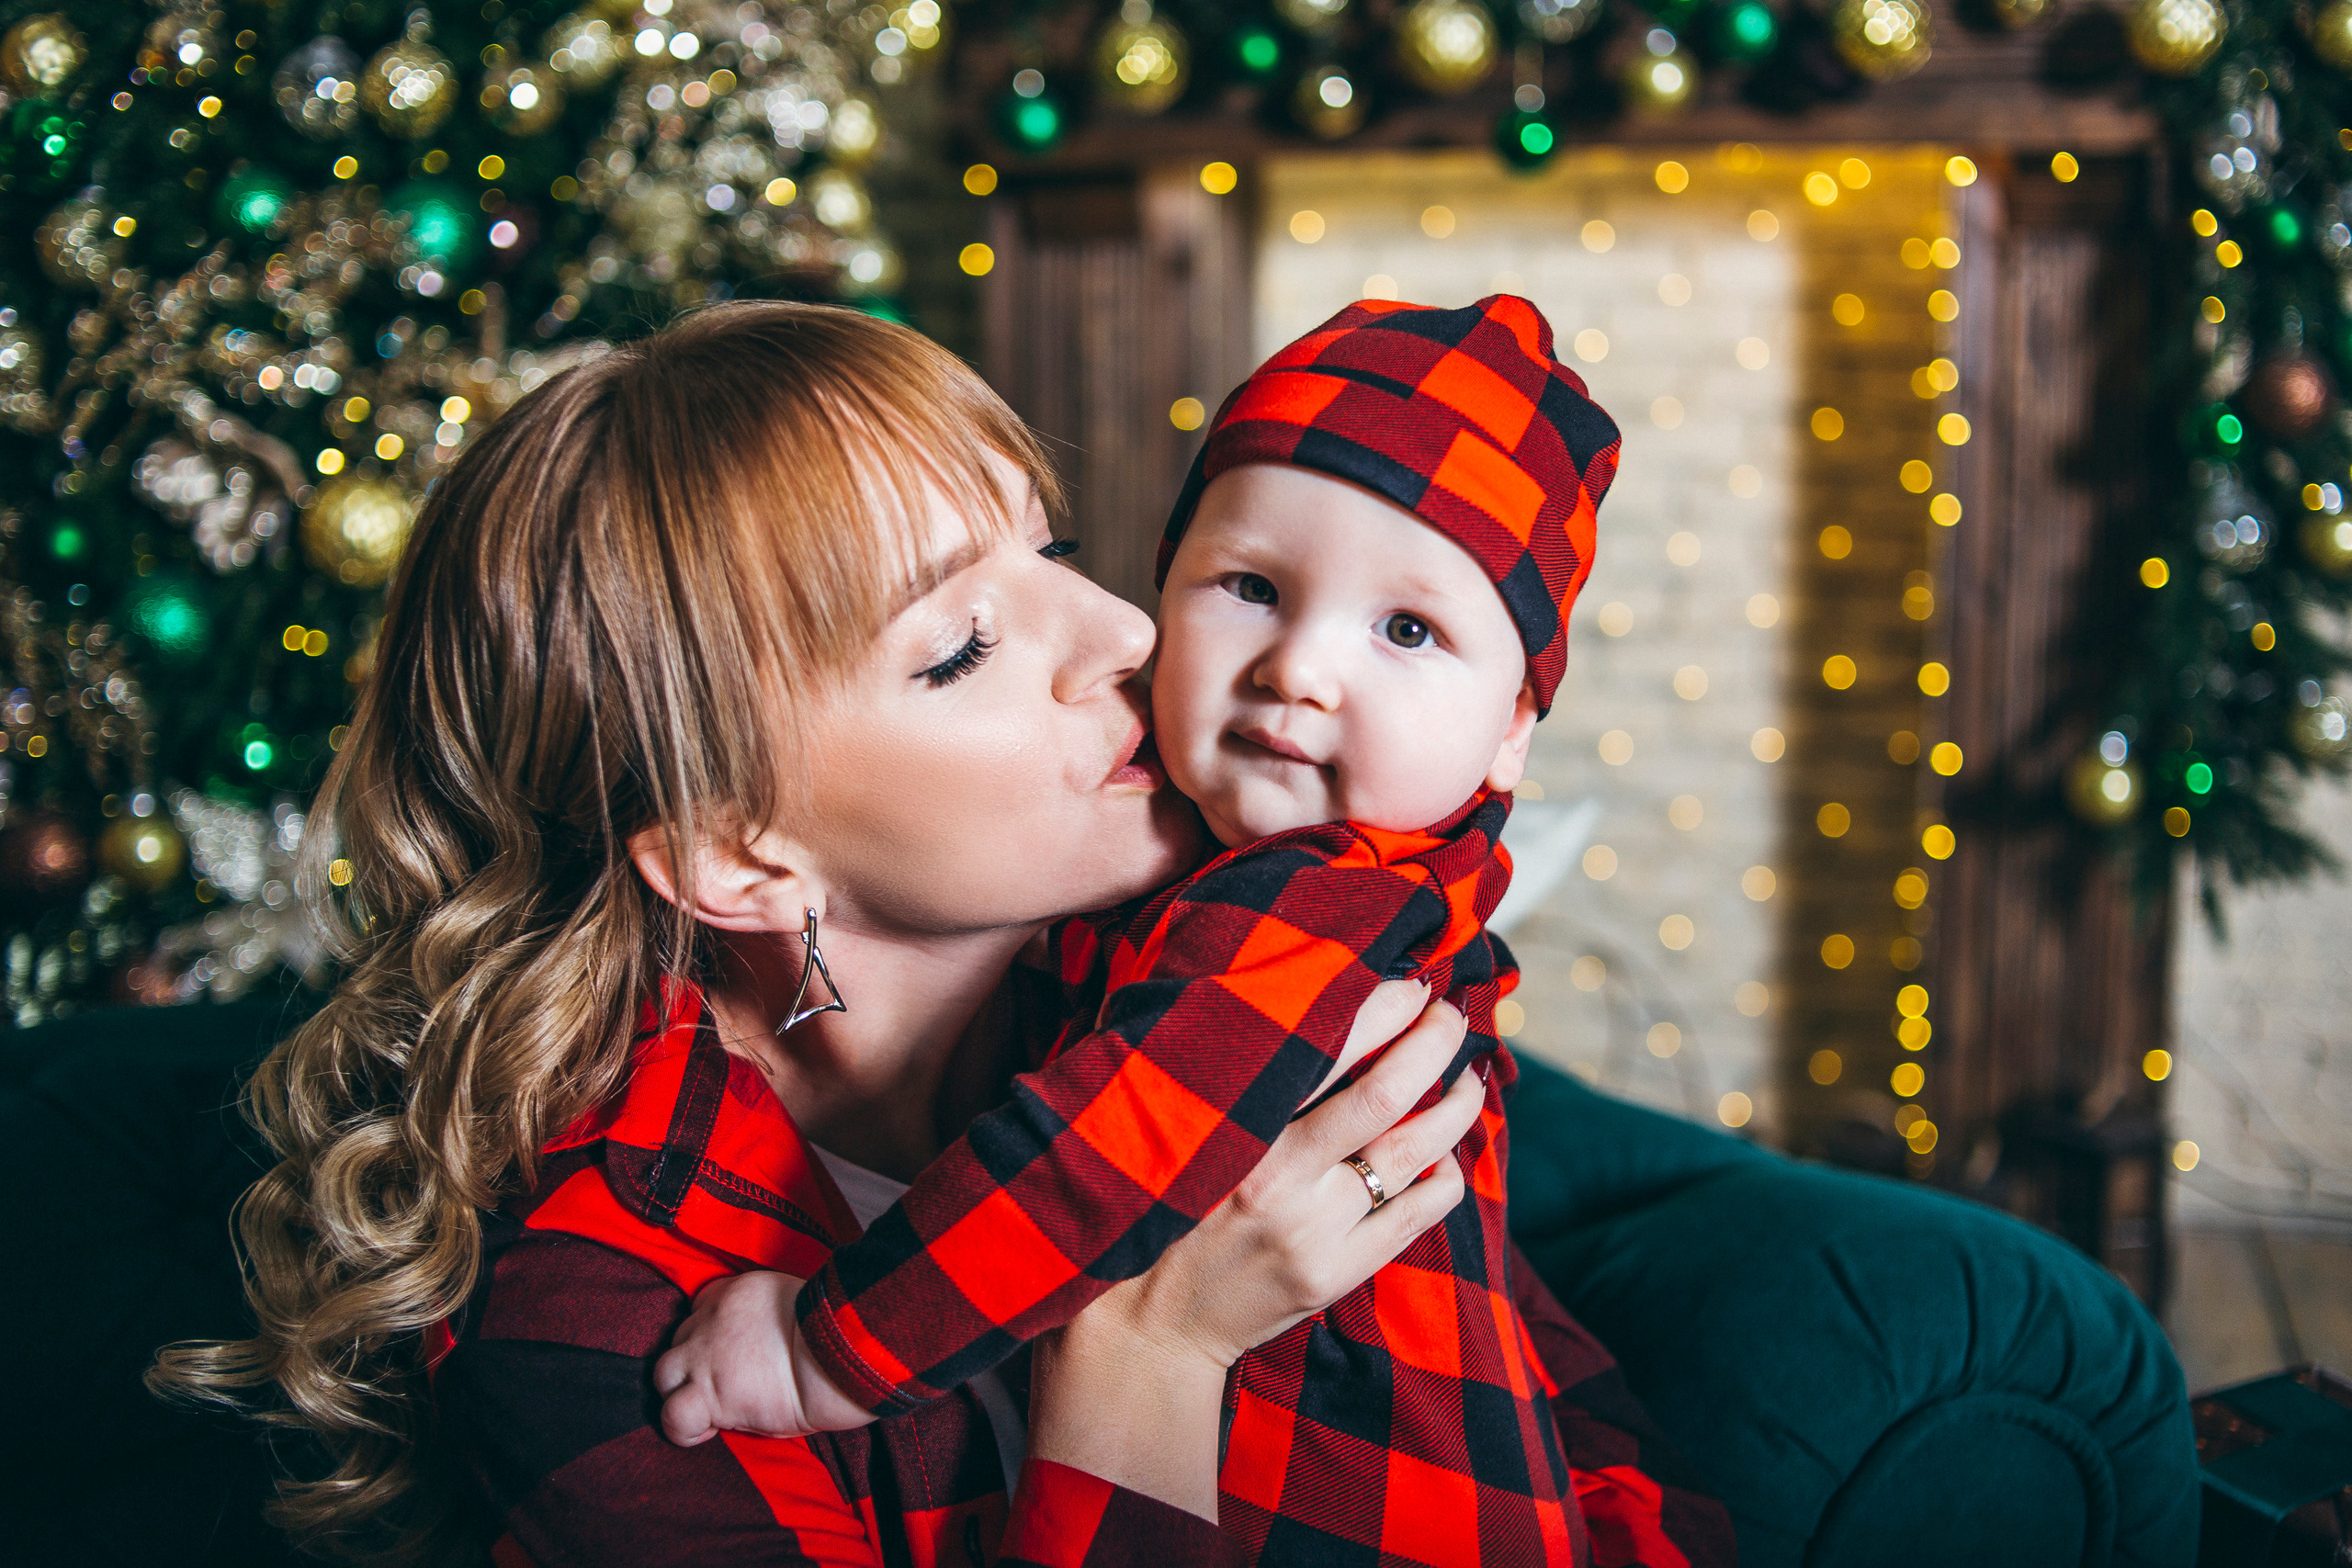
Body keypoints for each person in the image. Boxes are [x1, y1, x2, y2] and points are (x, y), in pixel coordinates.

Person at [152, 301, 1723, 1567]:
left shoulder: (1214, 977)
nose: (1125, 633)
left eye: (1047, 551)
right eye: (961, 647)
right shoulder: (594, 1336)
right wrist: (1148, 1358)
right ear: (737, 857)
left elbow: (1535, 1405)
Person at [652, 298, 1730, 1566]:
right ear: (737, 851)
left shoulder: (1307, 913)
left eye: (1408, 629)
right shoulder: (598, 1270)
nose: (1294, 668)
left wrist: (822, 1354)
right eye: (1251, 588)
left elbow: (1101, 1157)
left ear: (1511, 732)